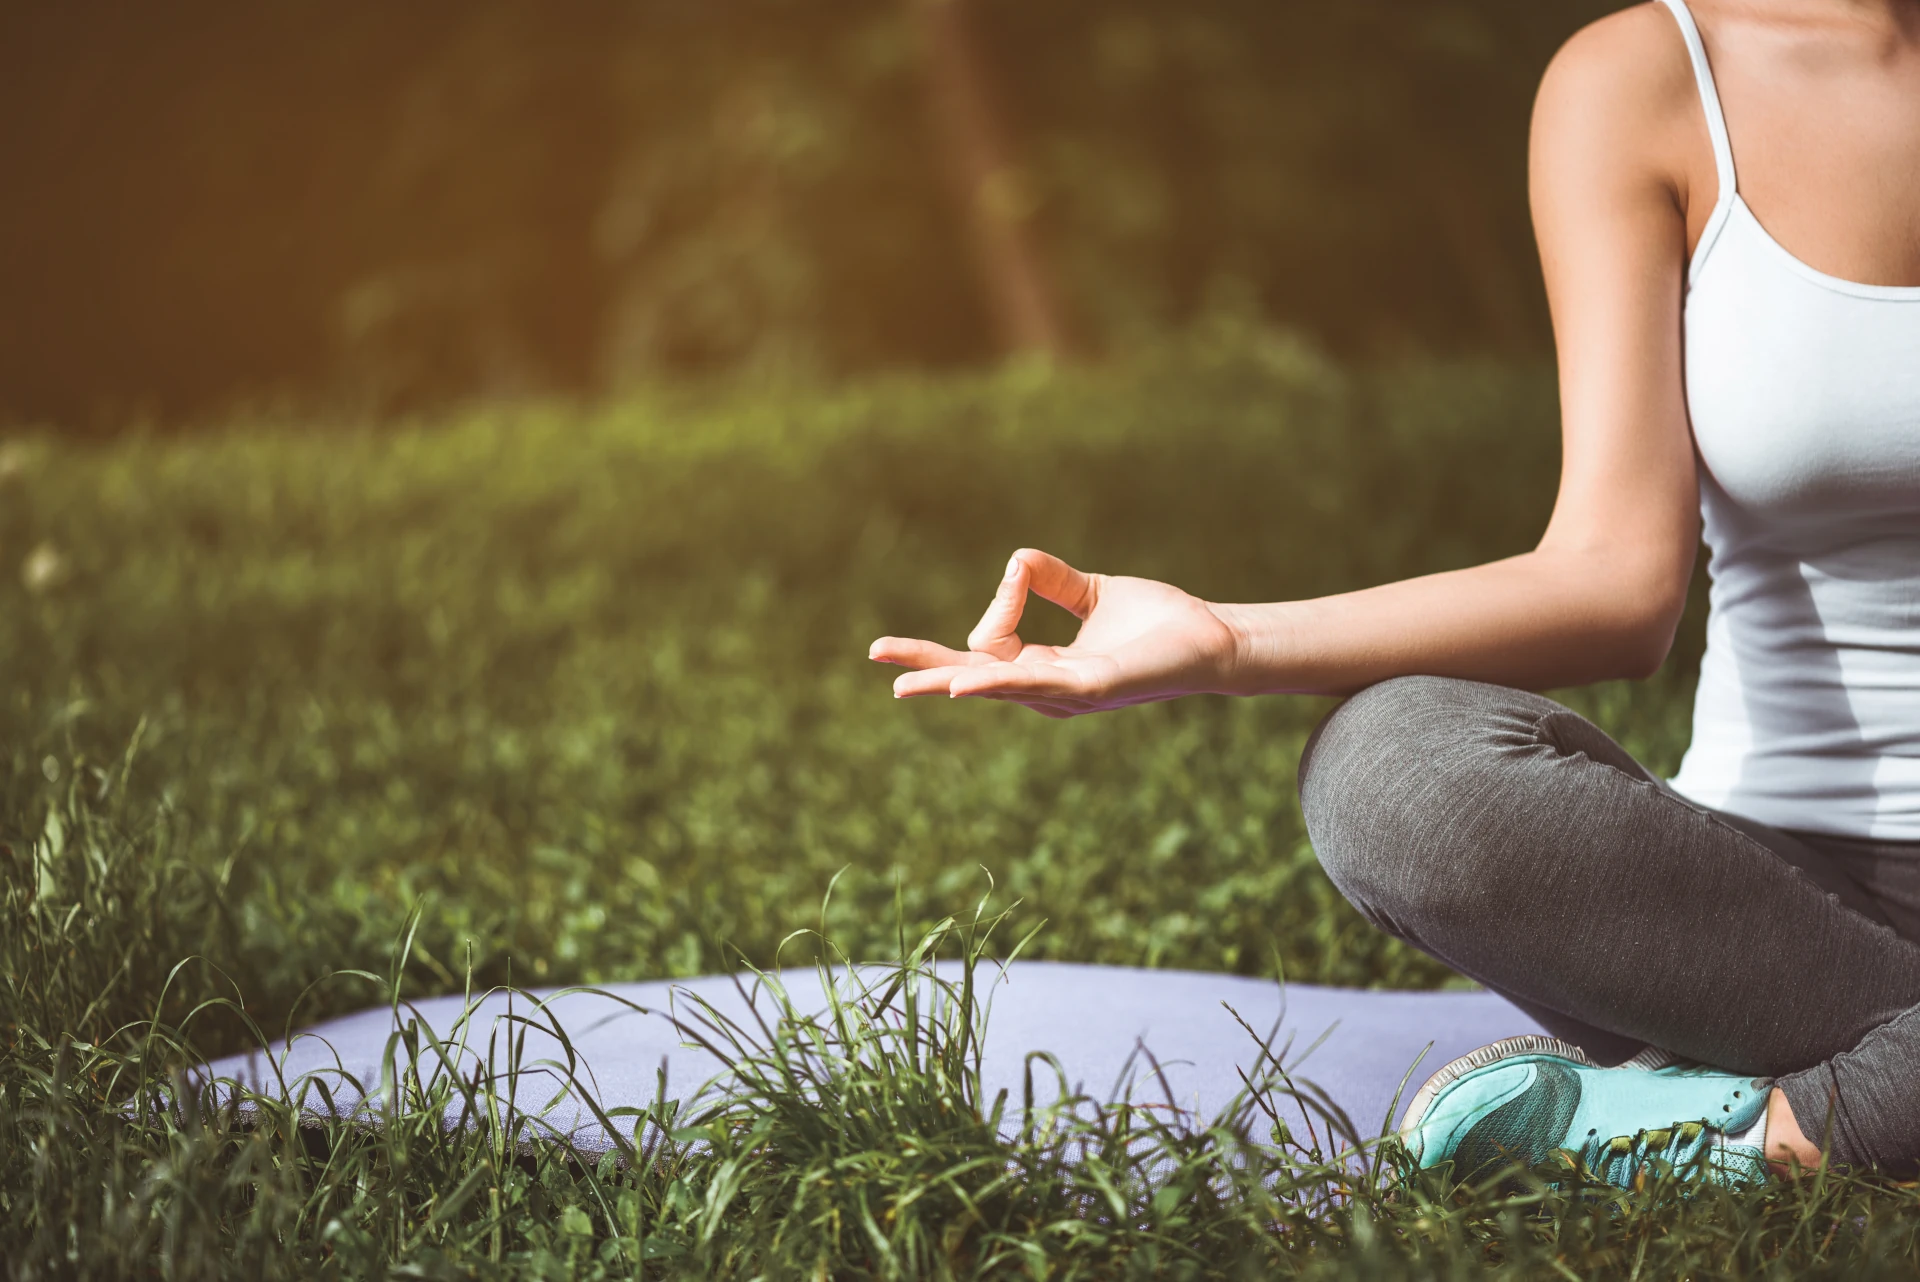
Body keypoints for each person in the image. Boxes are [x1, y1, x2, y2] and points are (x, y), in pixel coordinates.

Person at [870, 0, 1920, 1187]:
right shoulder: (1649, 81)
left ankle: (1766, 1137)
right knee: (1391, 767)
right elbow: (1616, 579)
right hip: (1757, 908)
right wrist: (1223, 638)